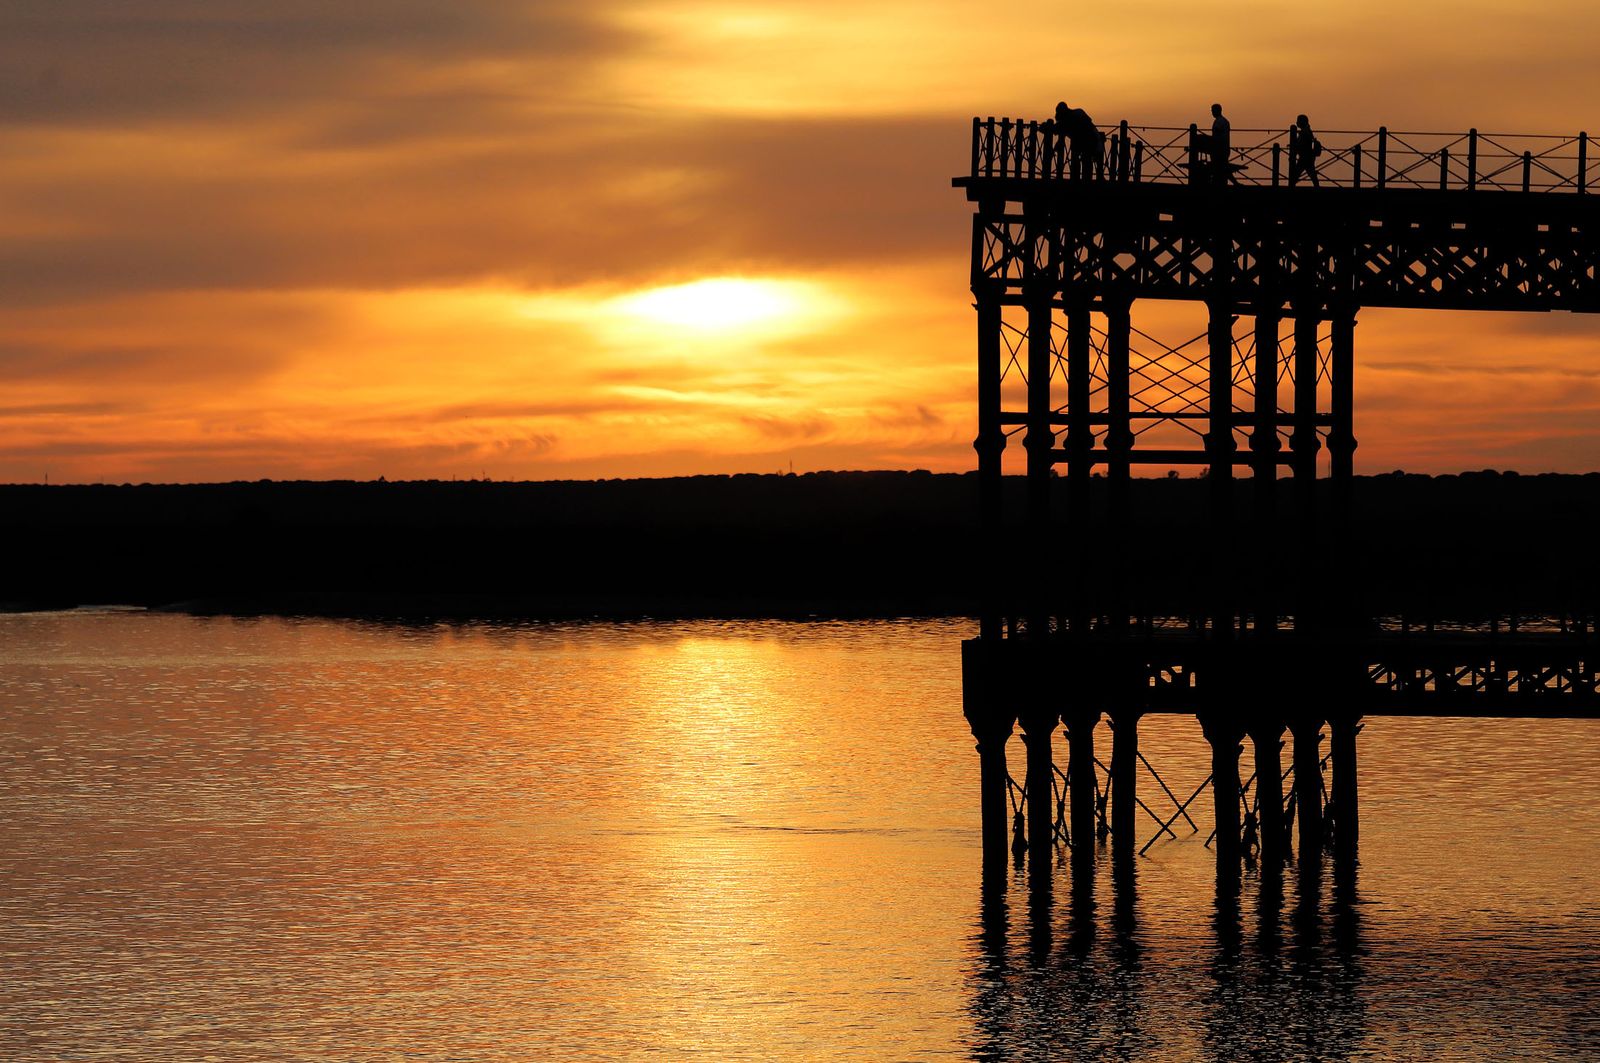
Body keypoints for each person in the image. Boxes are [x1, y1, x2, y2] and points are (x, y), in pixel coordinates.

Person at [1053, 101, 1104, 180]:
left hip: (1085, 141)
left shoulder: (1067, 119)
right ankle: (1087, 179)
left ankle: (1077, 179)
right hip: (1089, 140)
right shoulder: (1079, 112)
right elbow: (1092, 127)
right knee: (1086, 161)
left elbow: (1057, 129)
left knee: (1081, 161)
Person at [1289, 113, 1321, 187]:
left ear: (1302, 122)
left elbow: (1302, 144)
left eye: (1298, 121)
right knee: (1312, 174)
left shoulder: (1305, 132)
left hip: (1305, 157)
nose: (1297, 123)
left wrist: (1295, 146)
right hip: (1308, 157)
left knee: (1295, 175)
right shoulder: (1307, 130)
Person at [1210, 103, 1231, 184]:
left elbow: (1217, 133)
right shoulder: (1226, 121)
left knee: (1219, 168)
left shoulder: (1219, 121)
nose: (1212, 112)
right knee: (1223, 168)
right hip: (1225, 148)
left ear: (1217, 111)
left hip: (1219, 149)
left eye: (1212, 110)